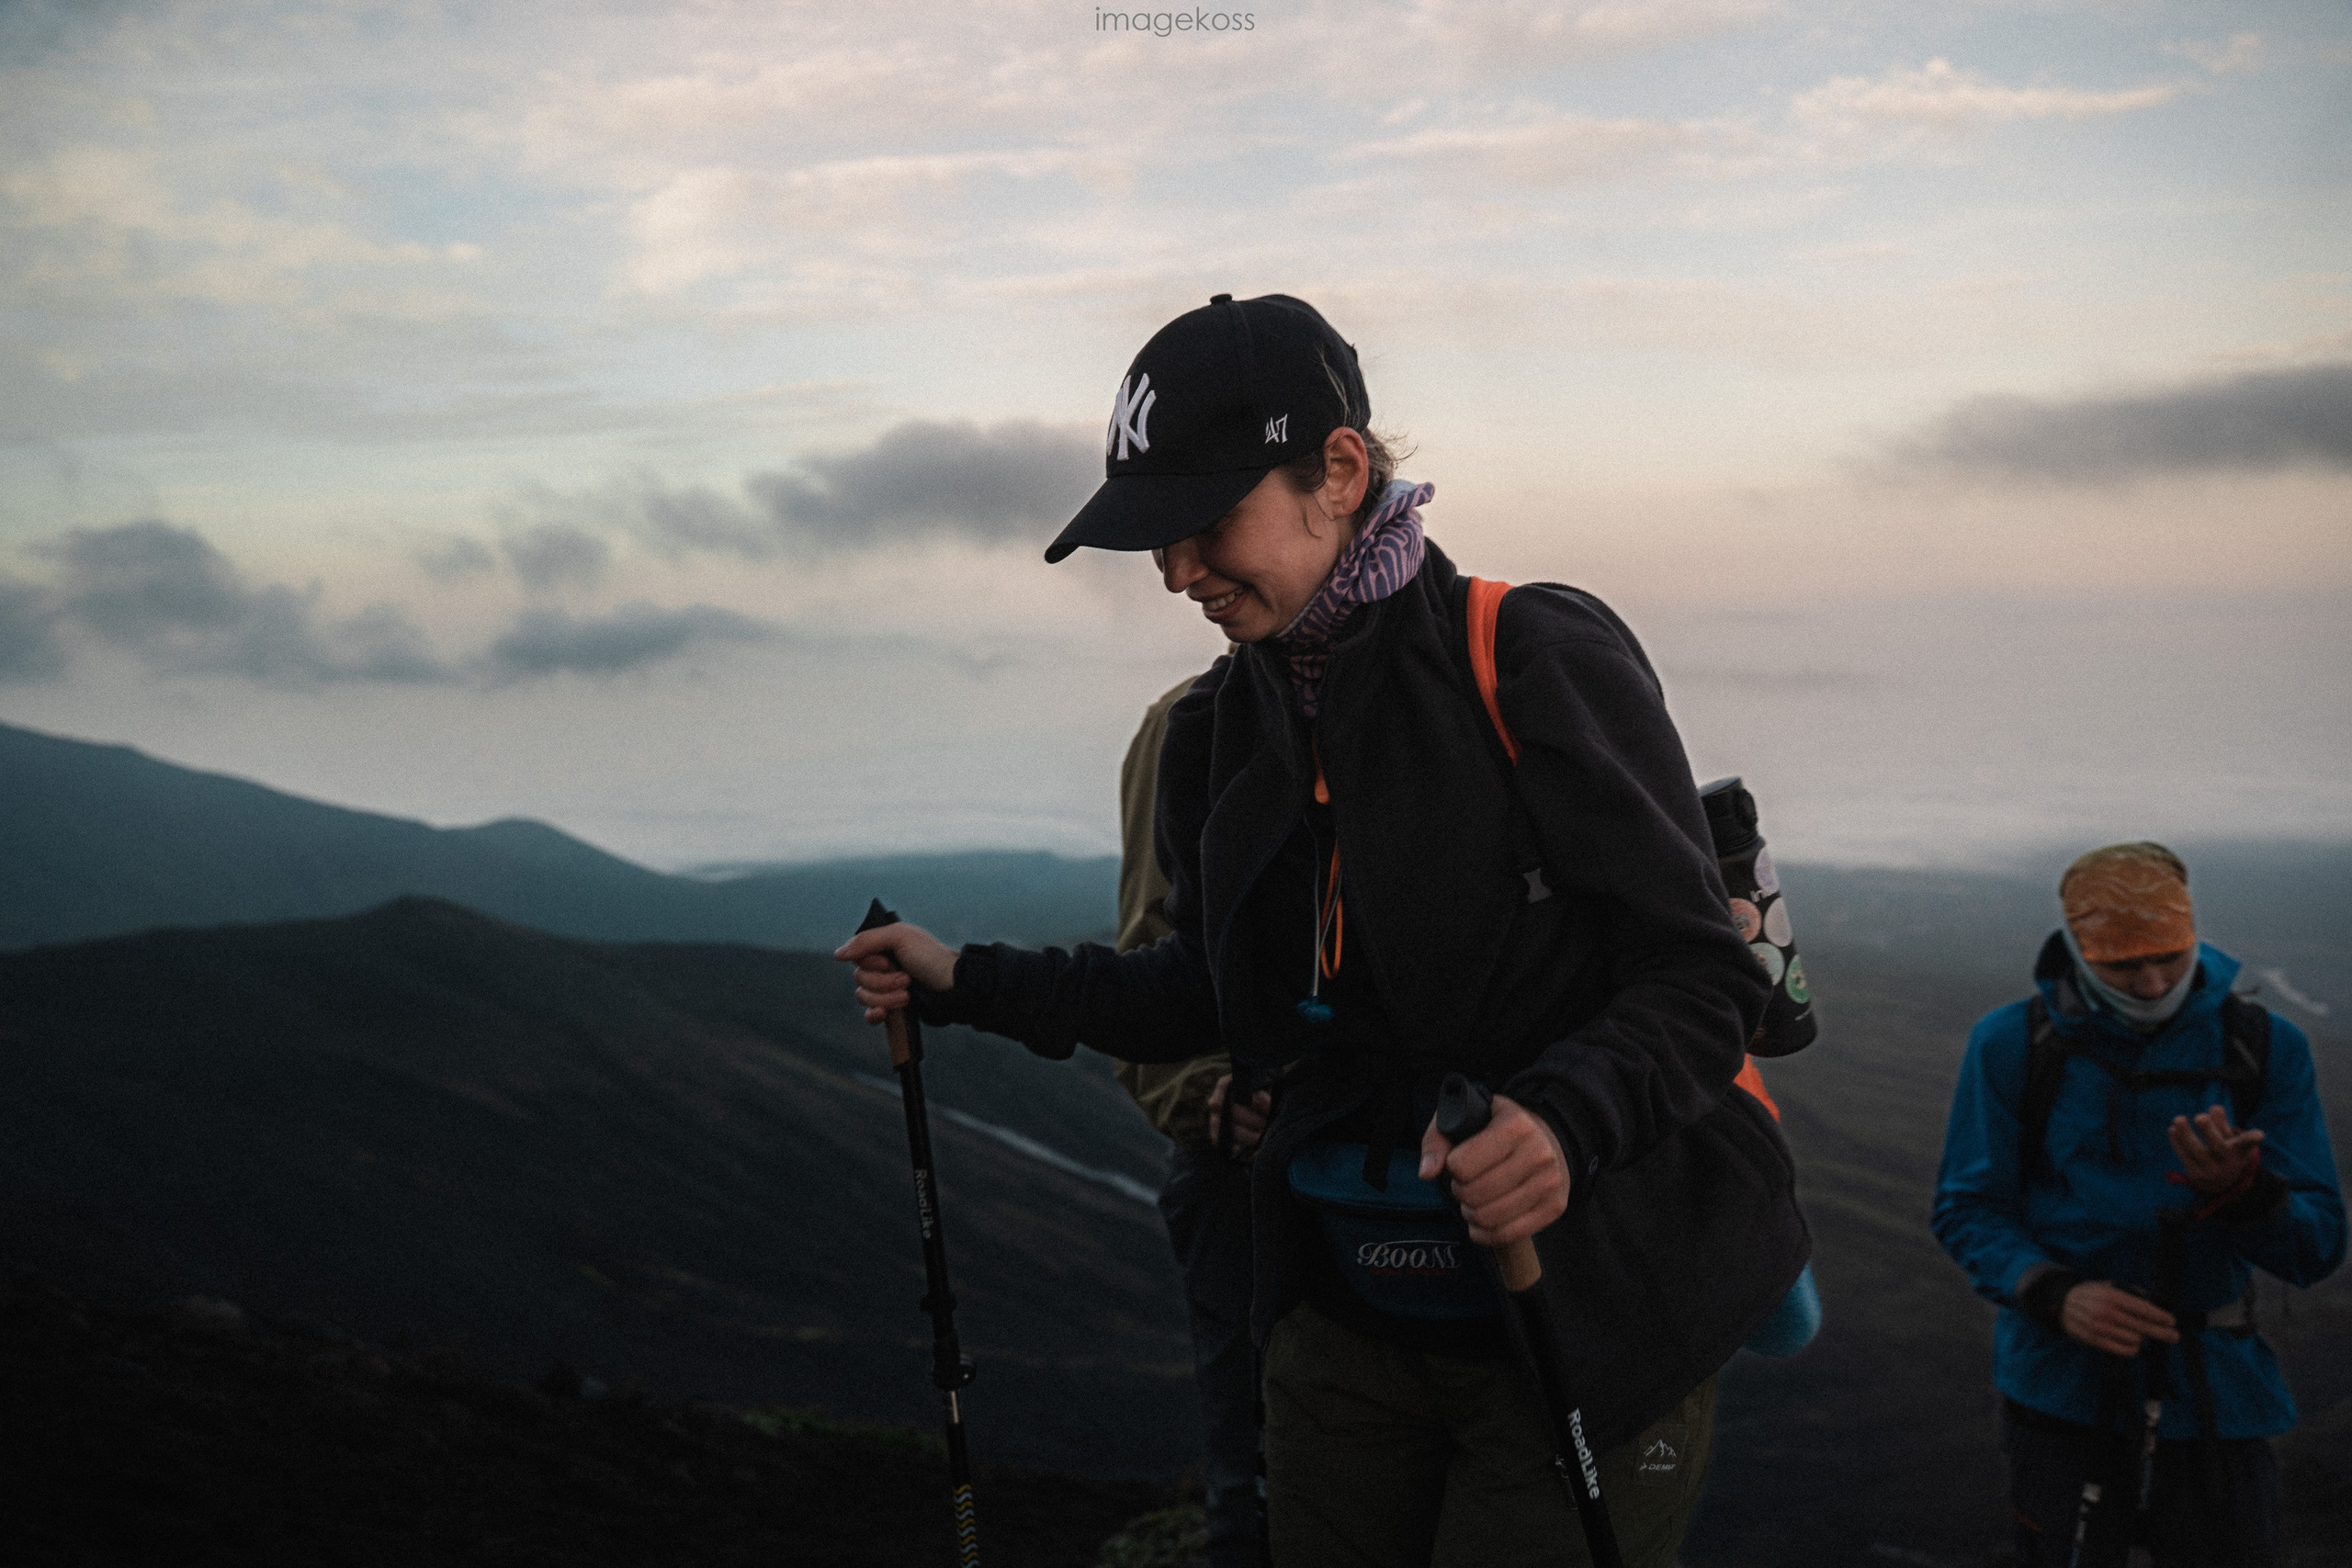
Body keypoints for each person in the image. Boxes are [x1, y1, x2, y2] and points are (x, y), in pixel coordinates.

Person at [839, 292, 1809, 1567]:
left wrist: (1560, 1123)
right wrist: (966, 979)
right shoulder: (1214, 732)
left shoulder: (1528, 656)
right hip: (1344, 1314)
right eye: (1158, 539)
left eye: (1206, 523)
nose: (1177, 571)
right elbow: (1206, 987)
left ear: (1339, 474)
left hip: (1587, 1314)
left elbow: (1697, 975)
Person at [1932, 842, 2345, 1567]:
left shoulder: (2265, 1047)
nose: (2153, 983)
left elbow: (2317, 1247)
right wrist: (2055, 1293)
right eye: (2124, 965)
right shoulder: (2012, 1044)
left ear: (2194, 936)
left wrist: (2245, 1193)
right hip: (2063, 1387)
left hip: (2217, 1393)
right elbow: (1968, 1207)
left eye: (2171, 957)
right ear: (2077, 948)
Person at [1112, 673, 1267, 1568]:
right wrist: (1206, 1091)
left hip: (1447, 1167)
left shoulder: (1480, 681)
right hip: (1247, 1176)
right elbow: (1150, 964)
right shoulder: (1190, 724)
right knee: (1261, 1479)